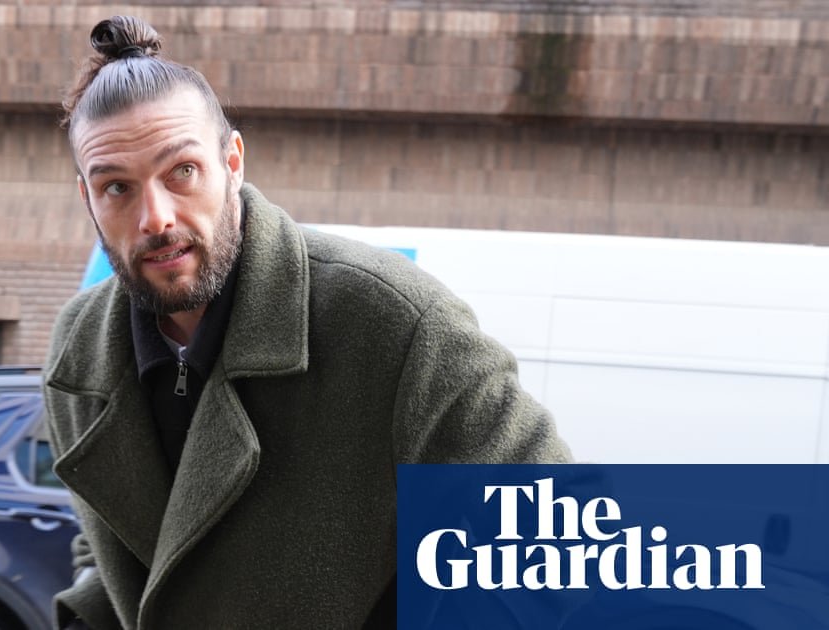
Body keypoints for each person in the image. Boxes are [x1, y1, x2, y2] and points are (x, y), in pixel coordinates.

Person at [44, 15, 572, 629]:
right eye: (117, 188)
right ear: (87, 199)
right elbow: (109, 547)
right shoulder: (80, 349)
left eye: (182, 172)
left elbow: (553, 541)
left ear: (233, 163)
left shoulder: (395, 323)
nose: (155, 218)